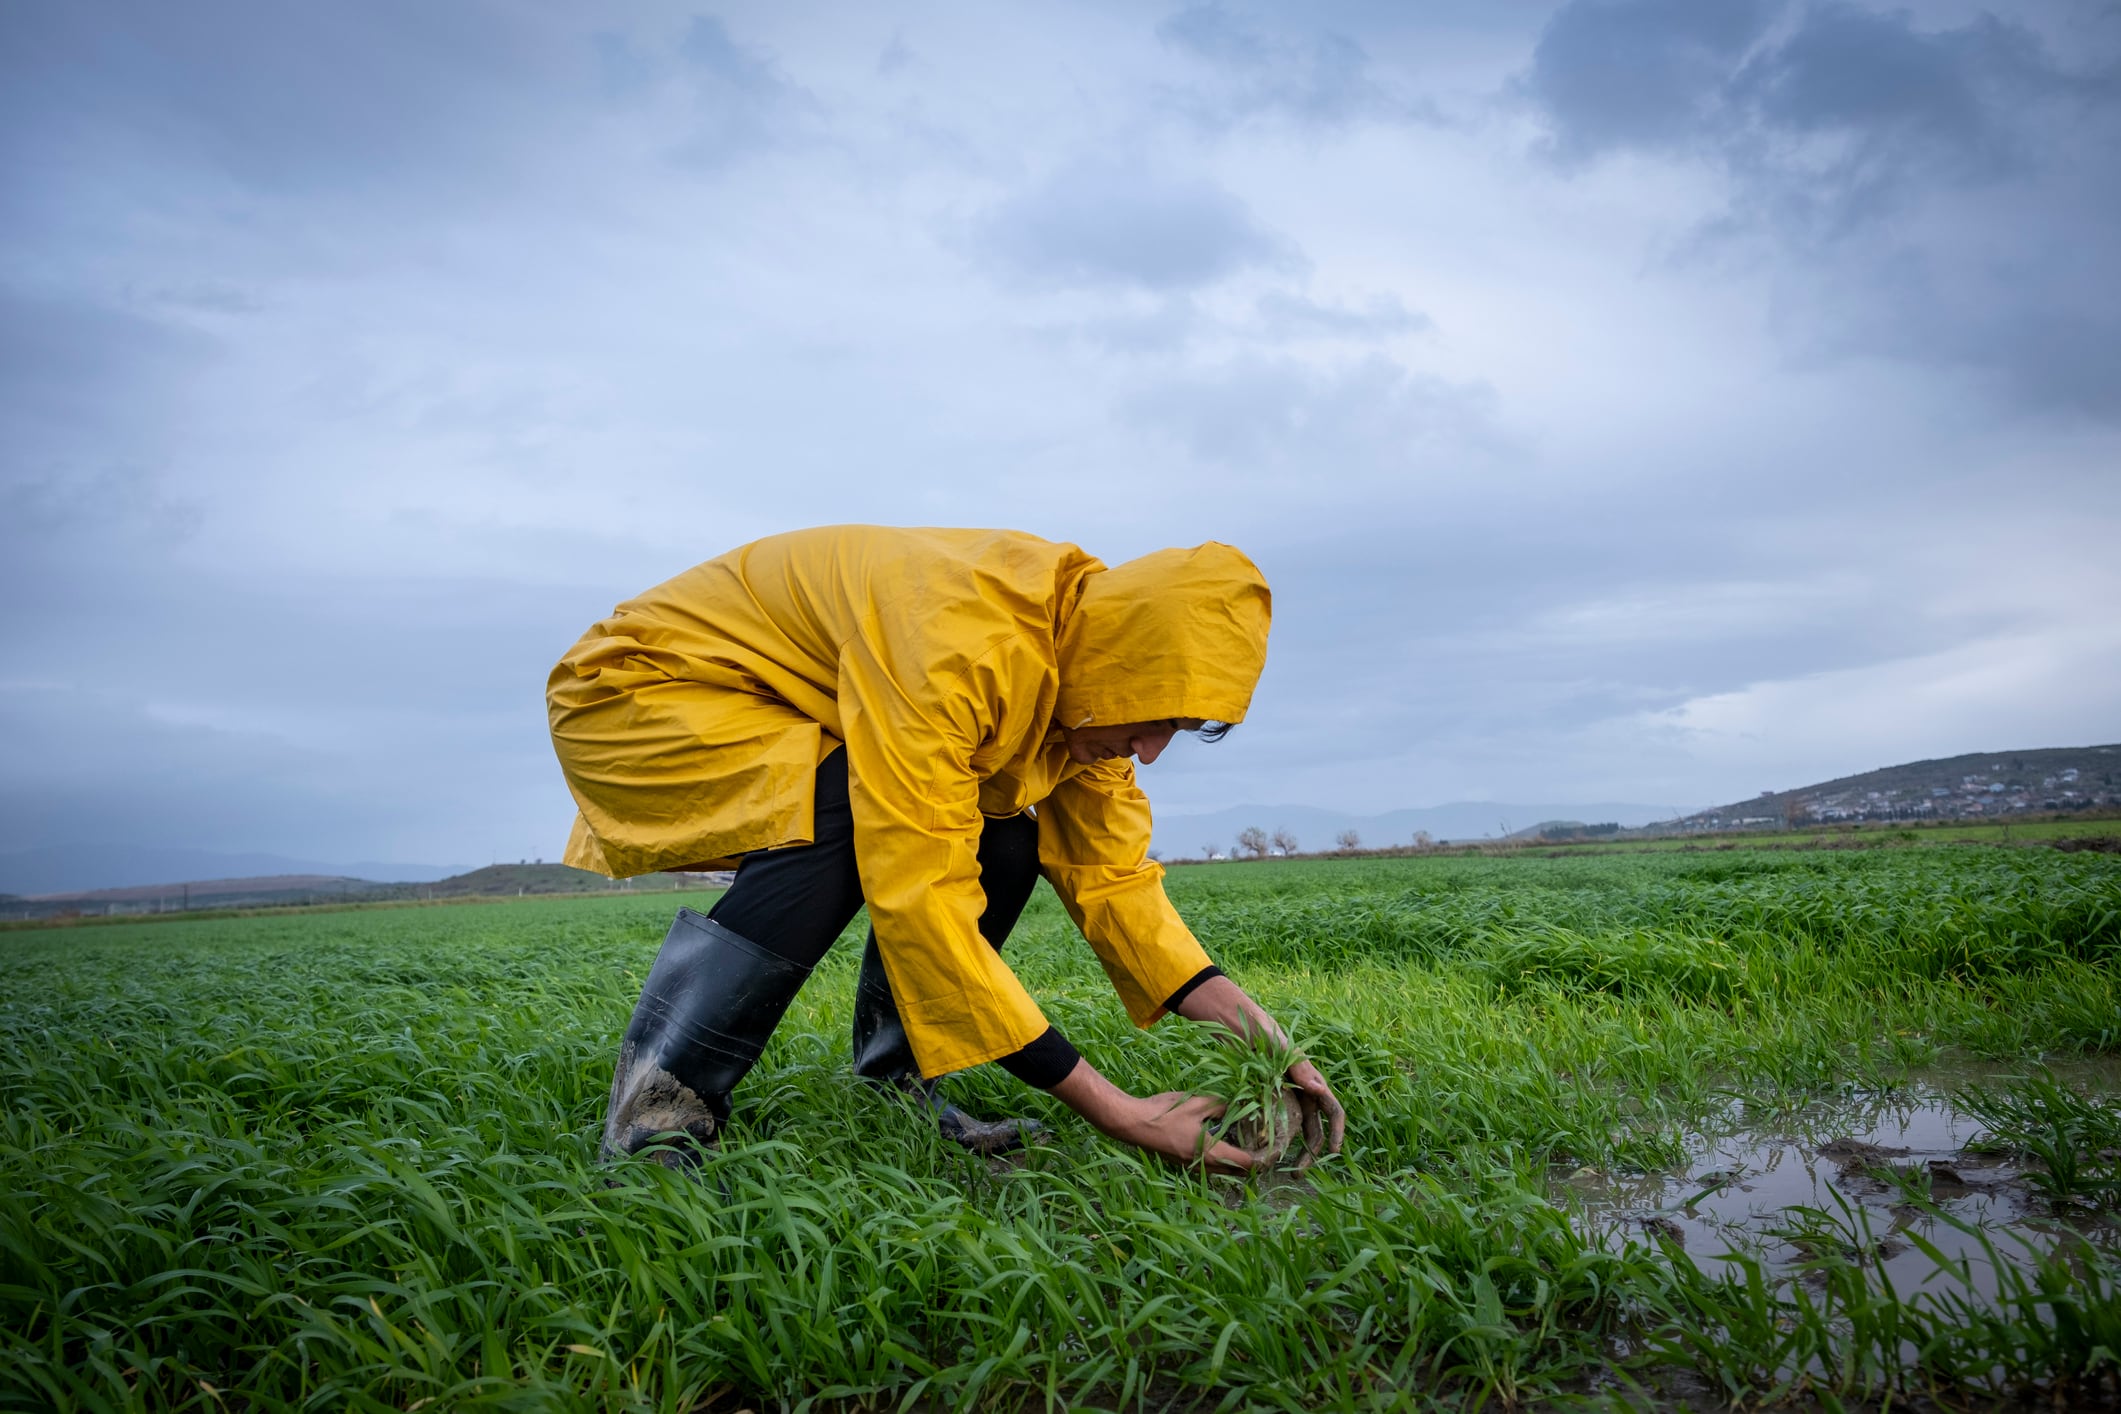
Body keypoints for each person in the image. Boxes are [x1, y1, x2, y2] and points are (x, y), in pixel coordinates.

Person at [546, 524, 1345, 1172]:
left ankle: (897, 1083)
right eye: (1155, 719)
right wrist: (1123, 1113)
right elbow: (919, 895)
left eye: (1174, 728)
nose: (1150, 751)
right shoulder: (960, 645)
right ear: (1119, 669)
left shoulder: (1085, 695)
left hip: (793, 708)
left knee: (1003, 839)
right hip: (641, 695)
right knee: (844, 814)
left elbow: (1117, 888)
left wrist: (1271, 1045)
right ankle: (655, 1126)